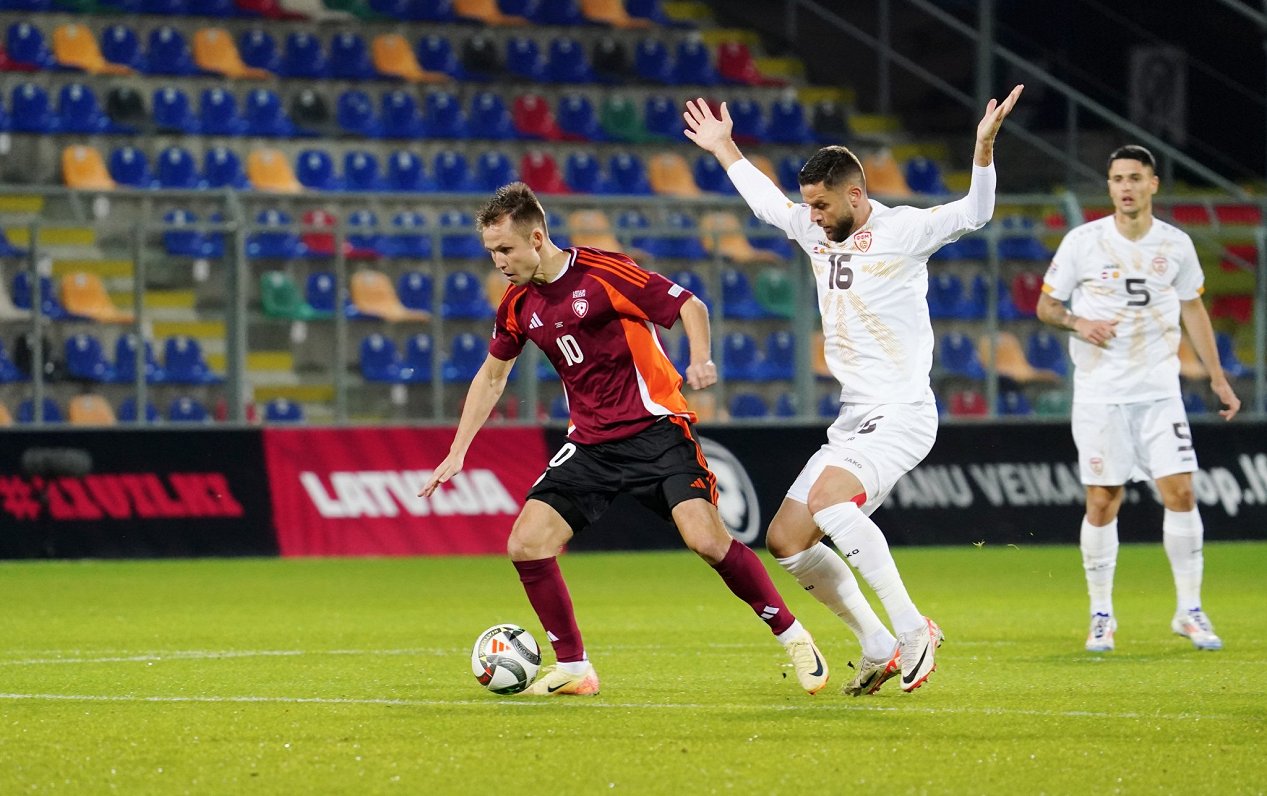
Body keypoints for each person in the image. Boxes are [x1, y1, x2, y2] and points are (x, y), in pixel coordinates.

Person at [420, 182, 830, 696]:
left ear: (537, 237)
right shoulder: (518, 303)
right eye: (491, 252)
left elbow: (690, 306)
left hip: (658, 431)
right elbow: (492, 376)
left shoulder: (603, 273)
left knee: (706, 541)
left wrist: (700, 357)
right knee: (526, 544)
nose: (498, 261)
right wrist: (458, 451)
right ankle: (574, 667)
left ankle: (792, 635)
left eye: (505, 249)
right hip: (591, 444)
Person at [684, 85, 1024, 696]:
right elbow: (767, 204)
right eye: (809, 206)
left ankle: (914, 628)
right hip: (856, 417)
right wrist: (724, 147)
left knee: (831, 505)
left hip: (903, 413)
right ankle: (878, 645)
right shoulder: (815, 231)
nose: (810, 216)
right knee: (786, 539)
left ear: (856, 195)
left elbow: (976, 211)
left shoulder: (906, 231)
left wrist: (983, 148)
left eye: (820, 205)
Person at [1036, 145, 1240, 653]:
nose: (1124, 186)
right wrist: (1080, 322)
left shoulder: (1175, 245)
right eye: (1116, 179)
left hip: (1159, 392)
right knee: (1103, 501)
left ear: (1153, 184)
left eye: (1134, 177)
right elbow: (1046, 305)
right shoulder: (1084, 242)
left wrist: (1217, 378)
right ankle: (1101, 615)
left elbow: (1194, 310)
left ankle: (1189, 610)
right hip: (1100, 394)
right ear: (1109, 187)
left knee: (1182, 493)